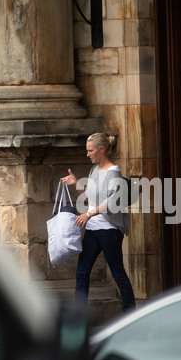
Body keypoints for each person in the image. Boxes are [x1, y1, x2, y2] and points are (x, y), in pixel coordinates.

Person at [61, 133, 136, 313]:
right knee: (81, 273)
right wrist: (76, 183)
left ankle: (130, 312)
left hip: (109, 231)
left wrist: (89, 214)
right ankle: (78, 316)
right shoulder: (94, 170)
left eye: (91, 150)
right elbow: (90, 198)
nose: (88, 154)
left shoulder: (114, 172)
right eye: (87, 151)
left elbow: (112, 203)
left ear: (102, 150)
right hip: (93, 230)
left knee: (118, 274)